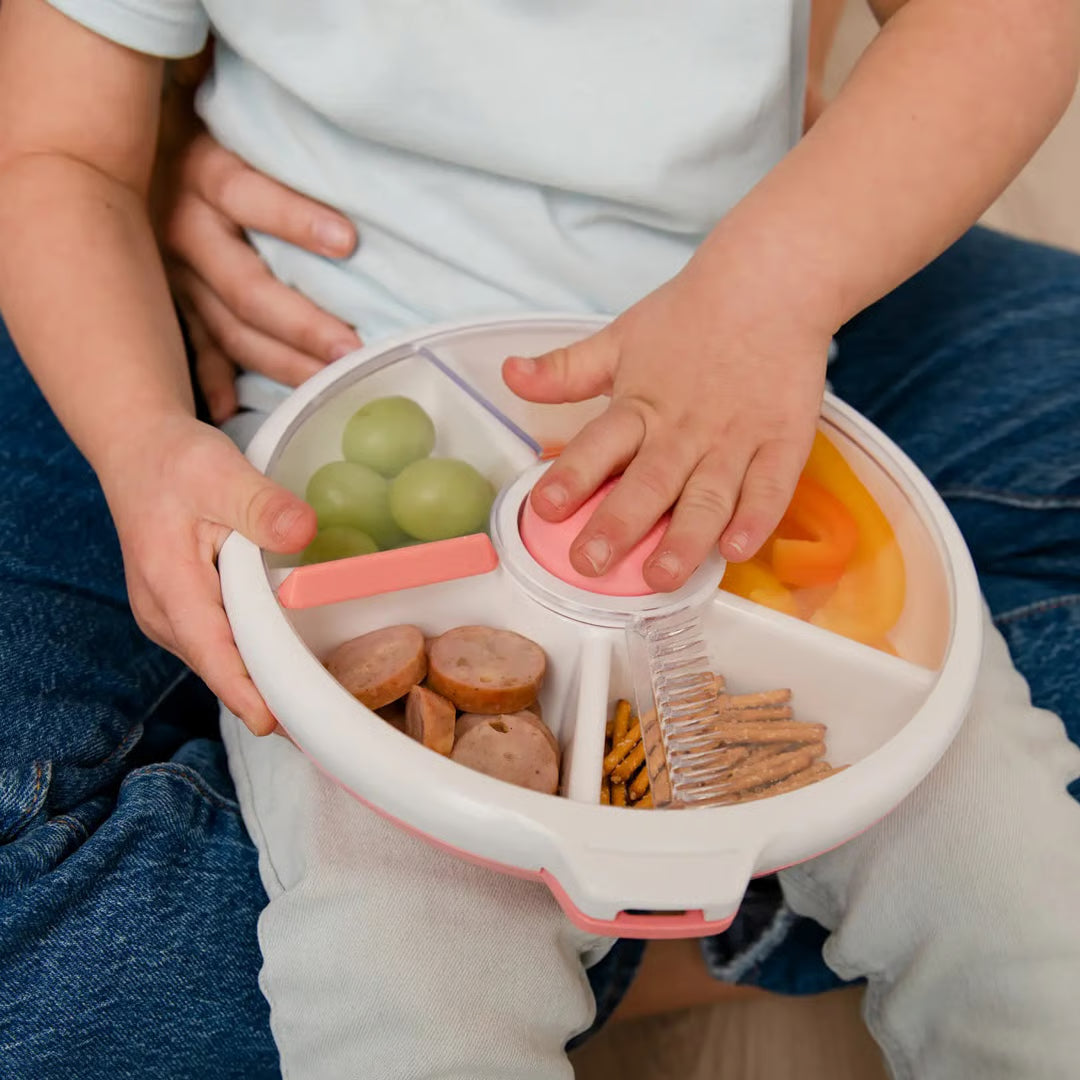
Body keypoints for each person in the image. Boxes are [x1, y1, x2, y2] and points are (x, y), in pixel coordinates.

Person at [0, 1, 1078, 1078]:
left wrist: (774, 290)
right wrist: (141, 437)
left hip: (751, 422)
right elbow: (54, 150)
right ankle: (672, 919)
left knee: (1015, 898)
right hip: (326, 439)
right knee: (404, 981)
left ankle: (650, 918)